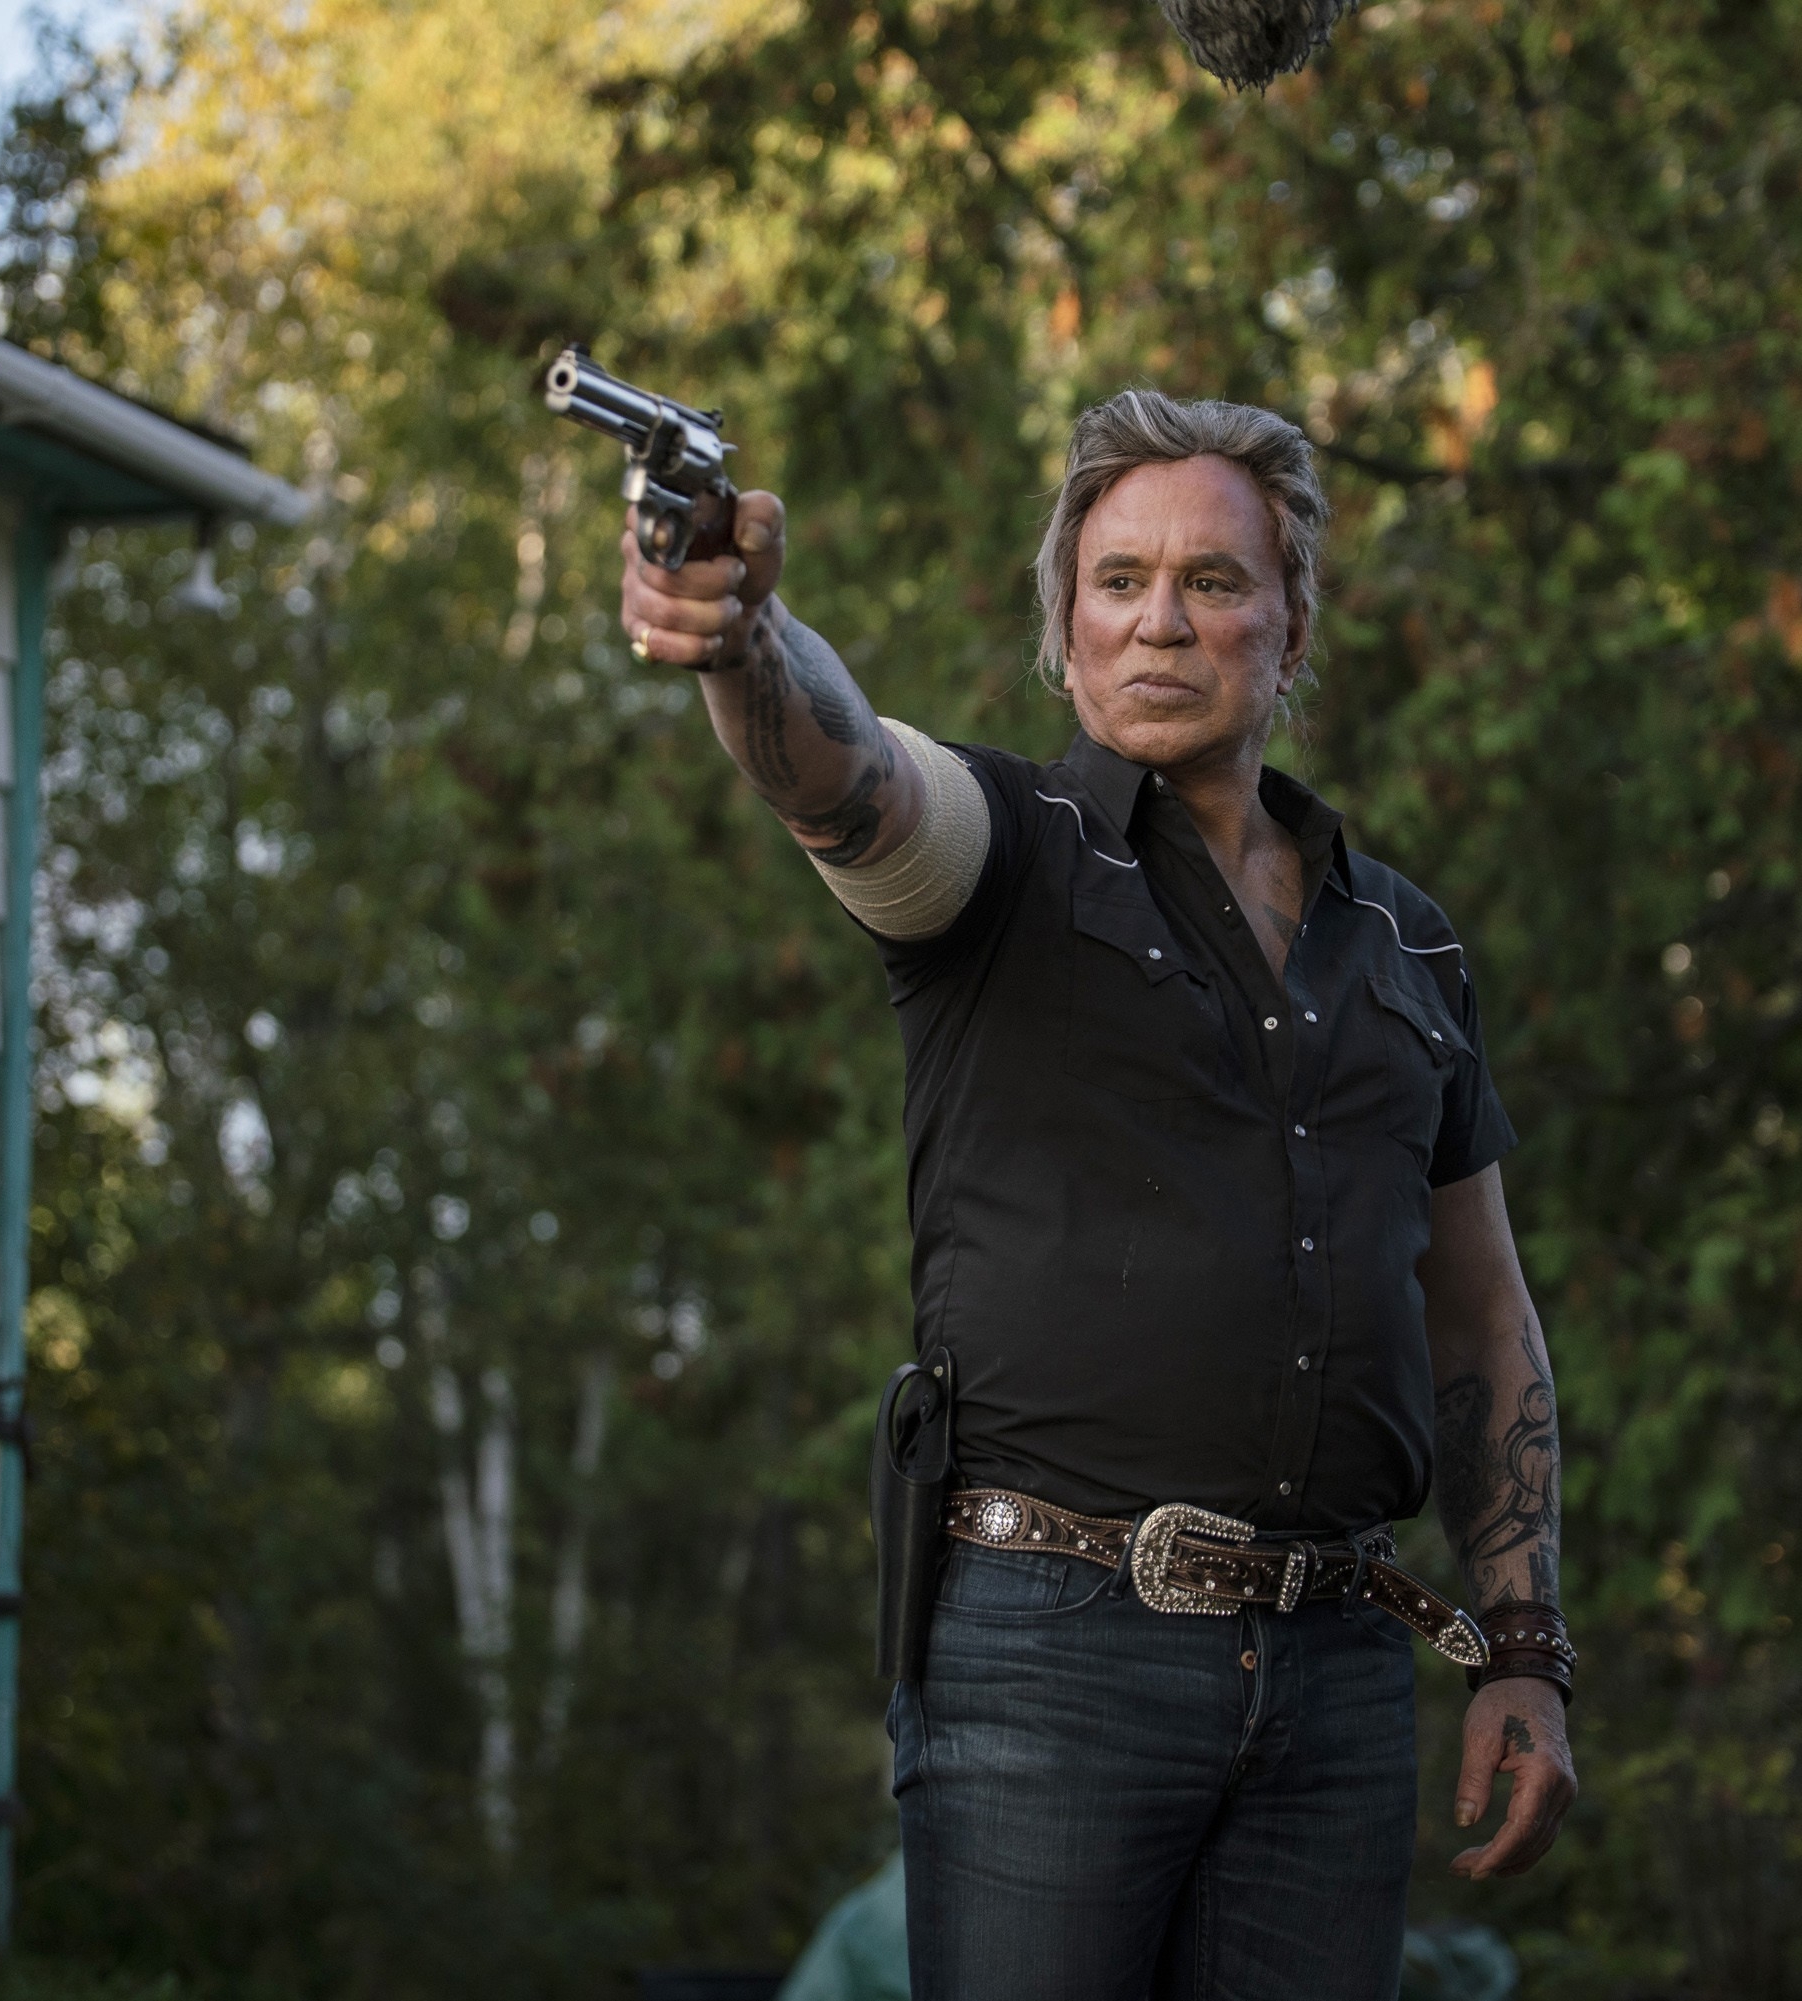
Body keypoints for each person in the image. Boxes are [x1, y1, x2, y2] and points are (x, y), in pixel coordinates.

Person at [616, 389, 1578, 2001]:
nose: (1159, 620)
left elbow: (1483, 1309)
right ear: (1065, 631)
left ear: (1291, 625)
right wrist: (743, 634)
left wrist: (1527, 1644)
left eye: (1213, 579)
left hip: (1339, 1672)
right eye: (1118, 579)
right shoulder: (999, 855)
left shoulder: (1406, 943)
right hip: (1050, 1657)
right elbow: (839, 769)